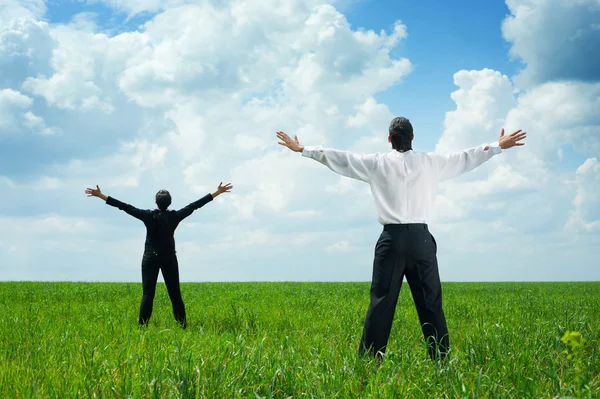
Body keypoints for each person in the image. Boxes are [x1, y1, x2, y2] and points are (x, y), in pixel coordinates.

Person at [276, 118, 526, 361]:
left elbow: (340, 158)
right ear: (413, 137)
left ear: (389, 139)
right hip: (421, 240)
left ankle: (371, 360)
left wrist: (303, 149)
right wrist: (496, 147)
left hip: (391, 241)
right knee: (430, 302)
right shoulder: (431, 162)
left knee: (382, 301)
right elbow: (465, 157)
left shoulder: (376, 163)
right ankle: (440, 359)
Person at [85, 182, 233, 328]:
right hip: (169, 258)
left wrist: (100, 195)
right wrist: (217, 192)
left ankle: (142, 327)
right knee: (175, 295)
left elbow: (125, 207)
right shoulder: (175, 216)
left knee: (148, 295)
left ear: (155, 202)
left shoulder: (148, 216)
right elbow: (195, 205)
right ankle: (183, 326)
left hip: (150, 258)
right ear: (170, 203)